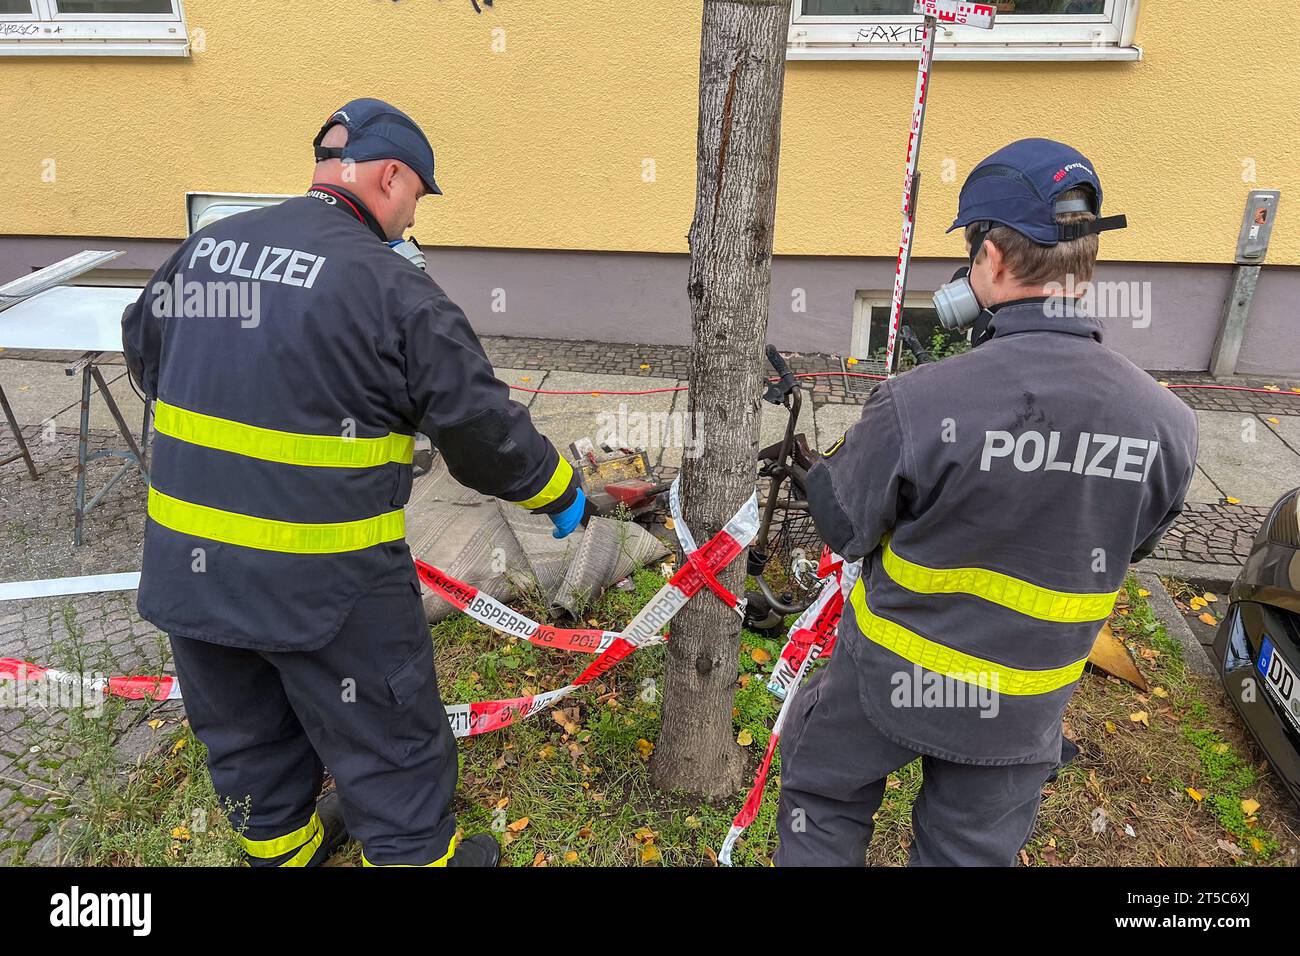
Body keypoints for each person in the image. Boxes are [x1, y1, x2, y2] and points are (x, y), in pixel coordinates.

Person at [122, 98, 591, 867]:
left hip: (191, 574)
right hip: (329, 587)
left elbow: (146, 358)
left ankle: (286, 852)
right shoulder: (393, 290)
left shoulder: (206, 250)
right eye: (416, 198)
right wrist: (560, 492)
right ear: (392, 175)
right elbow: (481, 435)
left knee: (244, 737)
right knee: (391, 746)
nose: (411, 220)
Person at [775, 138, 1198, 866]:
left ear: (993, 261)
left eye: (972, 256)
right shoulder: (1167, 424)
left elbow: (845, 528)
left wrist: (821, 475)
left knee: (825, 797)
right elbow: (1130, 541)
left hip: (890, 683)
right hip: (1022, 712)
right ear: (1085, 263)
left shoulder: (920, 400)